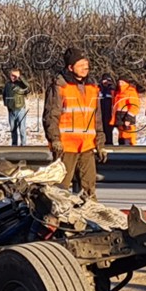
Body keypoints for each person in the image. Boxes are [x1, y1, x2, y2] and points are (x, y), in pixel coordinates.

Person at [43, 47, 101, 199]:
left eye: (86, 64)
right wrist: (54, 139)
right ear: (70, 67)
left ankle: (91, 219)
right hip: (66, 146)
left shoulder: (92, 87)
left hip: (87, 146)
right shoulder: (60, 86)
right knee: (60, 189)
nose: (85, 67)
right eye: (80, 64)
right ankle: (55, 220)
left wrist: (100, 142)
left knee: (89, 189)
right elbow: (51, 115)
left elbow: (97, 117)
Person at [2, 69, 30, 146]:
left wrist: (20, 77)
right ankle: (14, 145)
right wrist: (6, 104)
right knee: (13, 129)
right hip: (11, 110)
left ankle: (23, 145)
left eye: (15, 76)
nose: (13, 77)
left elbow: (28, 87)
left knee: (22, 129)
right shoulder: (7, 85)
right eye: (12, 75)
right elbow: (4, 95)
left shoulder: (21, 84)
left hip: (20, 109)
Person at [112, 77, 141, 145]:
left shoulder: (131, 92)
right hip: (120, 119)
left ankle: (132, 154)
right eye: (119, 82)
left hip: (127, 120)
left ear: (127, 83)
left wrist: (128, 118)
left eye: (122, 82)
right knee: (121, 138)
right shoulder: (118, 93)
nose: (120, 84)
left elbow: (134, 106)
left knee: (129, 138)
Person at [98, 76, 117, 146]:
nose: (105, 82)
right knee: (101, 127)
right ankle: (102, 142)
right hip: (100, 110)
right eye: (104, 81)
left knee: (108, 127)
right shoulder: (99, 88)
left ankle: (109, 142)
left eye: (107, 81)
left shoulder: (112, 89)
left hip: (109, 110)